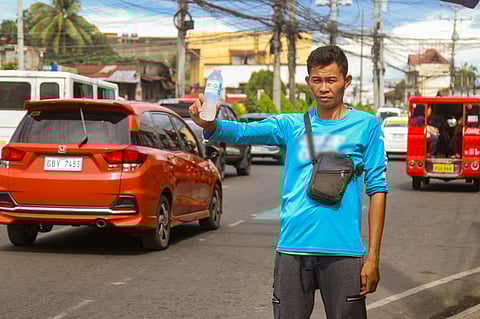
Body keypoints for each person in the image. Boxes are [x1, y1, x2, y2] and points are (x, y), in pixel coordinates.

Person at [189, 45, 388, 318]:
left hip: (344, 250)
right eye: (317, 80)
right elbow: (243, 132)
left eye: (331, 80)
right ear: (308, 82)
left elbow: (378, 189)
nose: (324, 88)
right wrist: (209, 124)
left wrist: (373, 259)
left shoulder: (366, 126)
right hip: (293, 249)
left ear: (346, 81)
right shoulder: (291, 125)